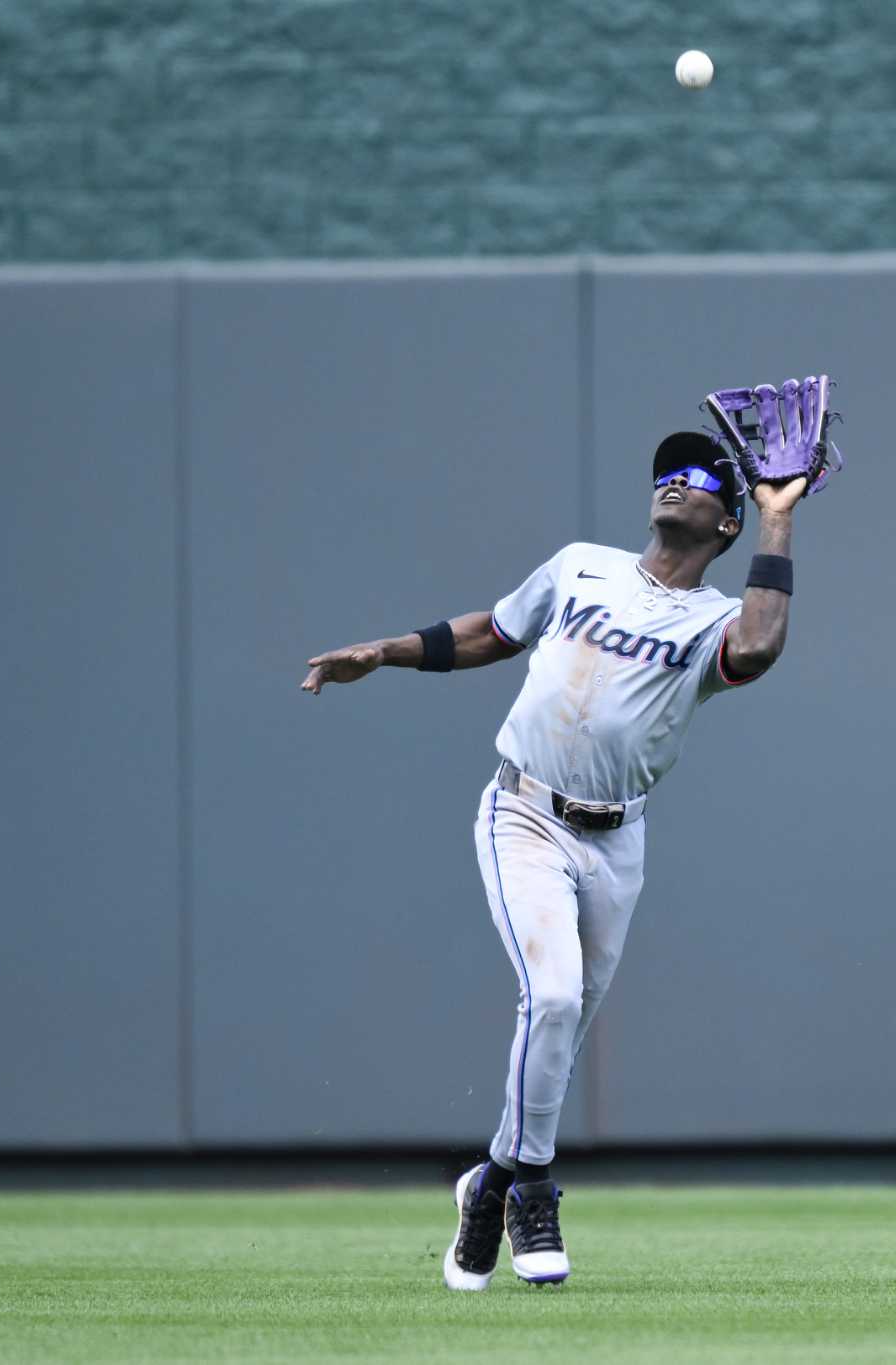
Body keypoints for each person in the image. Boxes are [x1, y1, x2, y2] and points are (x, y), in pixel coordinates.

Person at [299, 430, 807, 1289]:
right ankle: (532, 1186)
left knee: (559, 1032)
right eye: (669, 474)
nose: (677, 484)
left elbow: (757, 648)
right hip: (524, 812)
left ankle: (488, 1179)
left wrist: (779, 521)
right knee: (557, 993)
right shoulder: (581, 566)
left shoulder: (717, 618)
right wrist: (384, 651)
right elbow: (495, 631)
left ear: (727, 523)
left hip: (618, 838)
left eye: (702, 480)